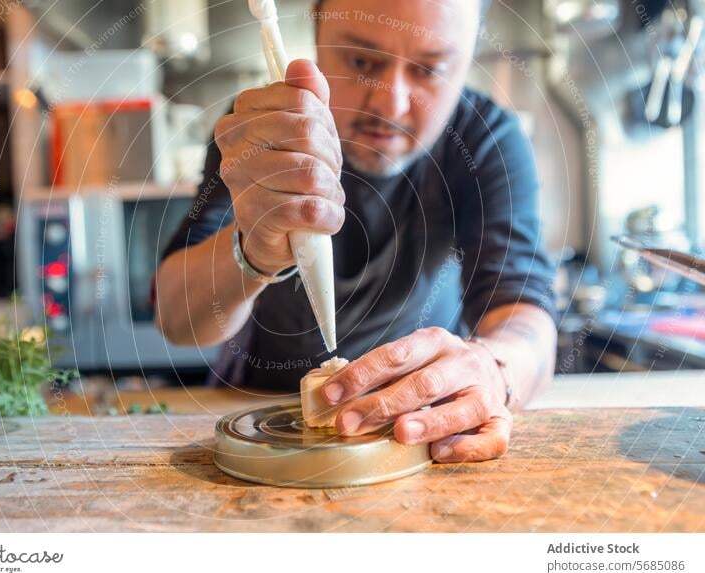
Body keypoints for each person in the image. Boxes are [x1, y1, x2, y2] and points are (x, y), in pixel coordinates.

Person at [153, 0, 558, 463]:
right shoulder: (267, 134)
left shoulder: (484, 139)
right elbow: (177, 320)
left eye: (430, 70)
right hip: (261, 426)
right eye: (363, 63)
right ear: (318, 36)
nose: (391, 103)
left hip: (419, 431)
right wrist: (255, 250)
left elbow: (524, 313)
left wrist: (494, 370)